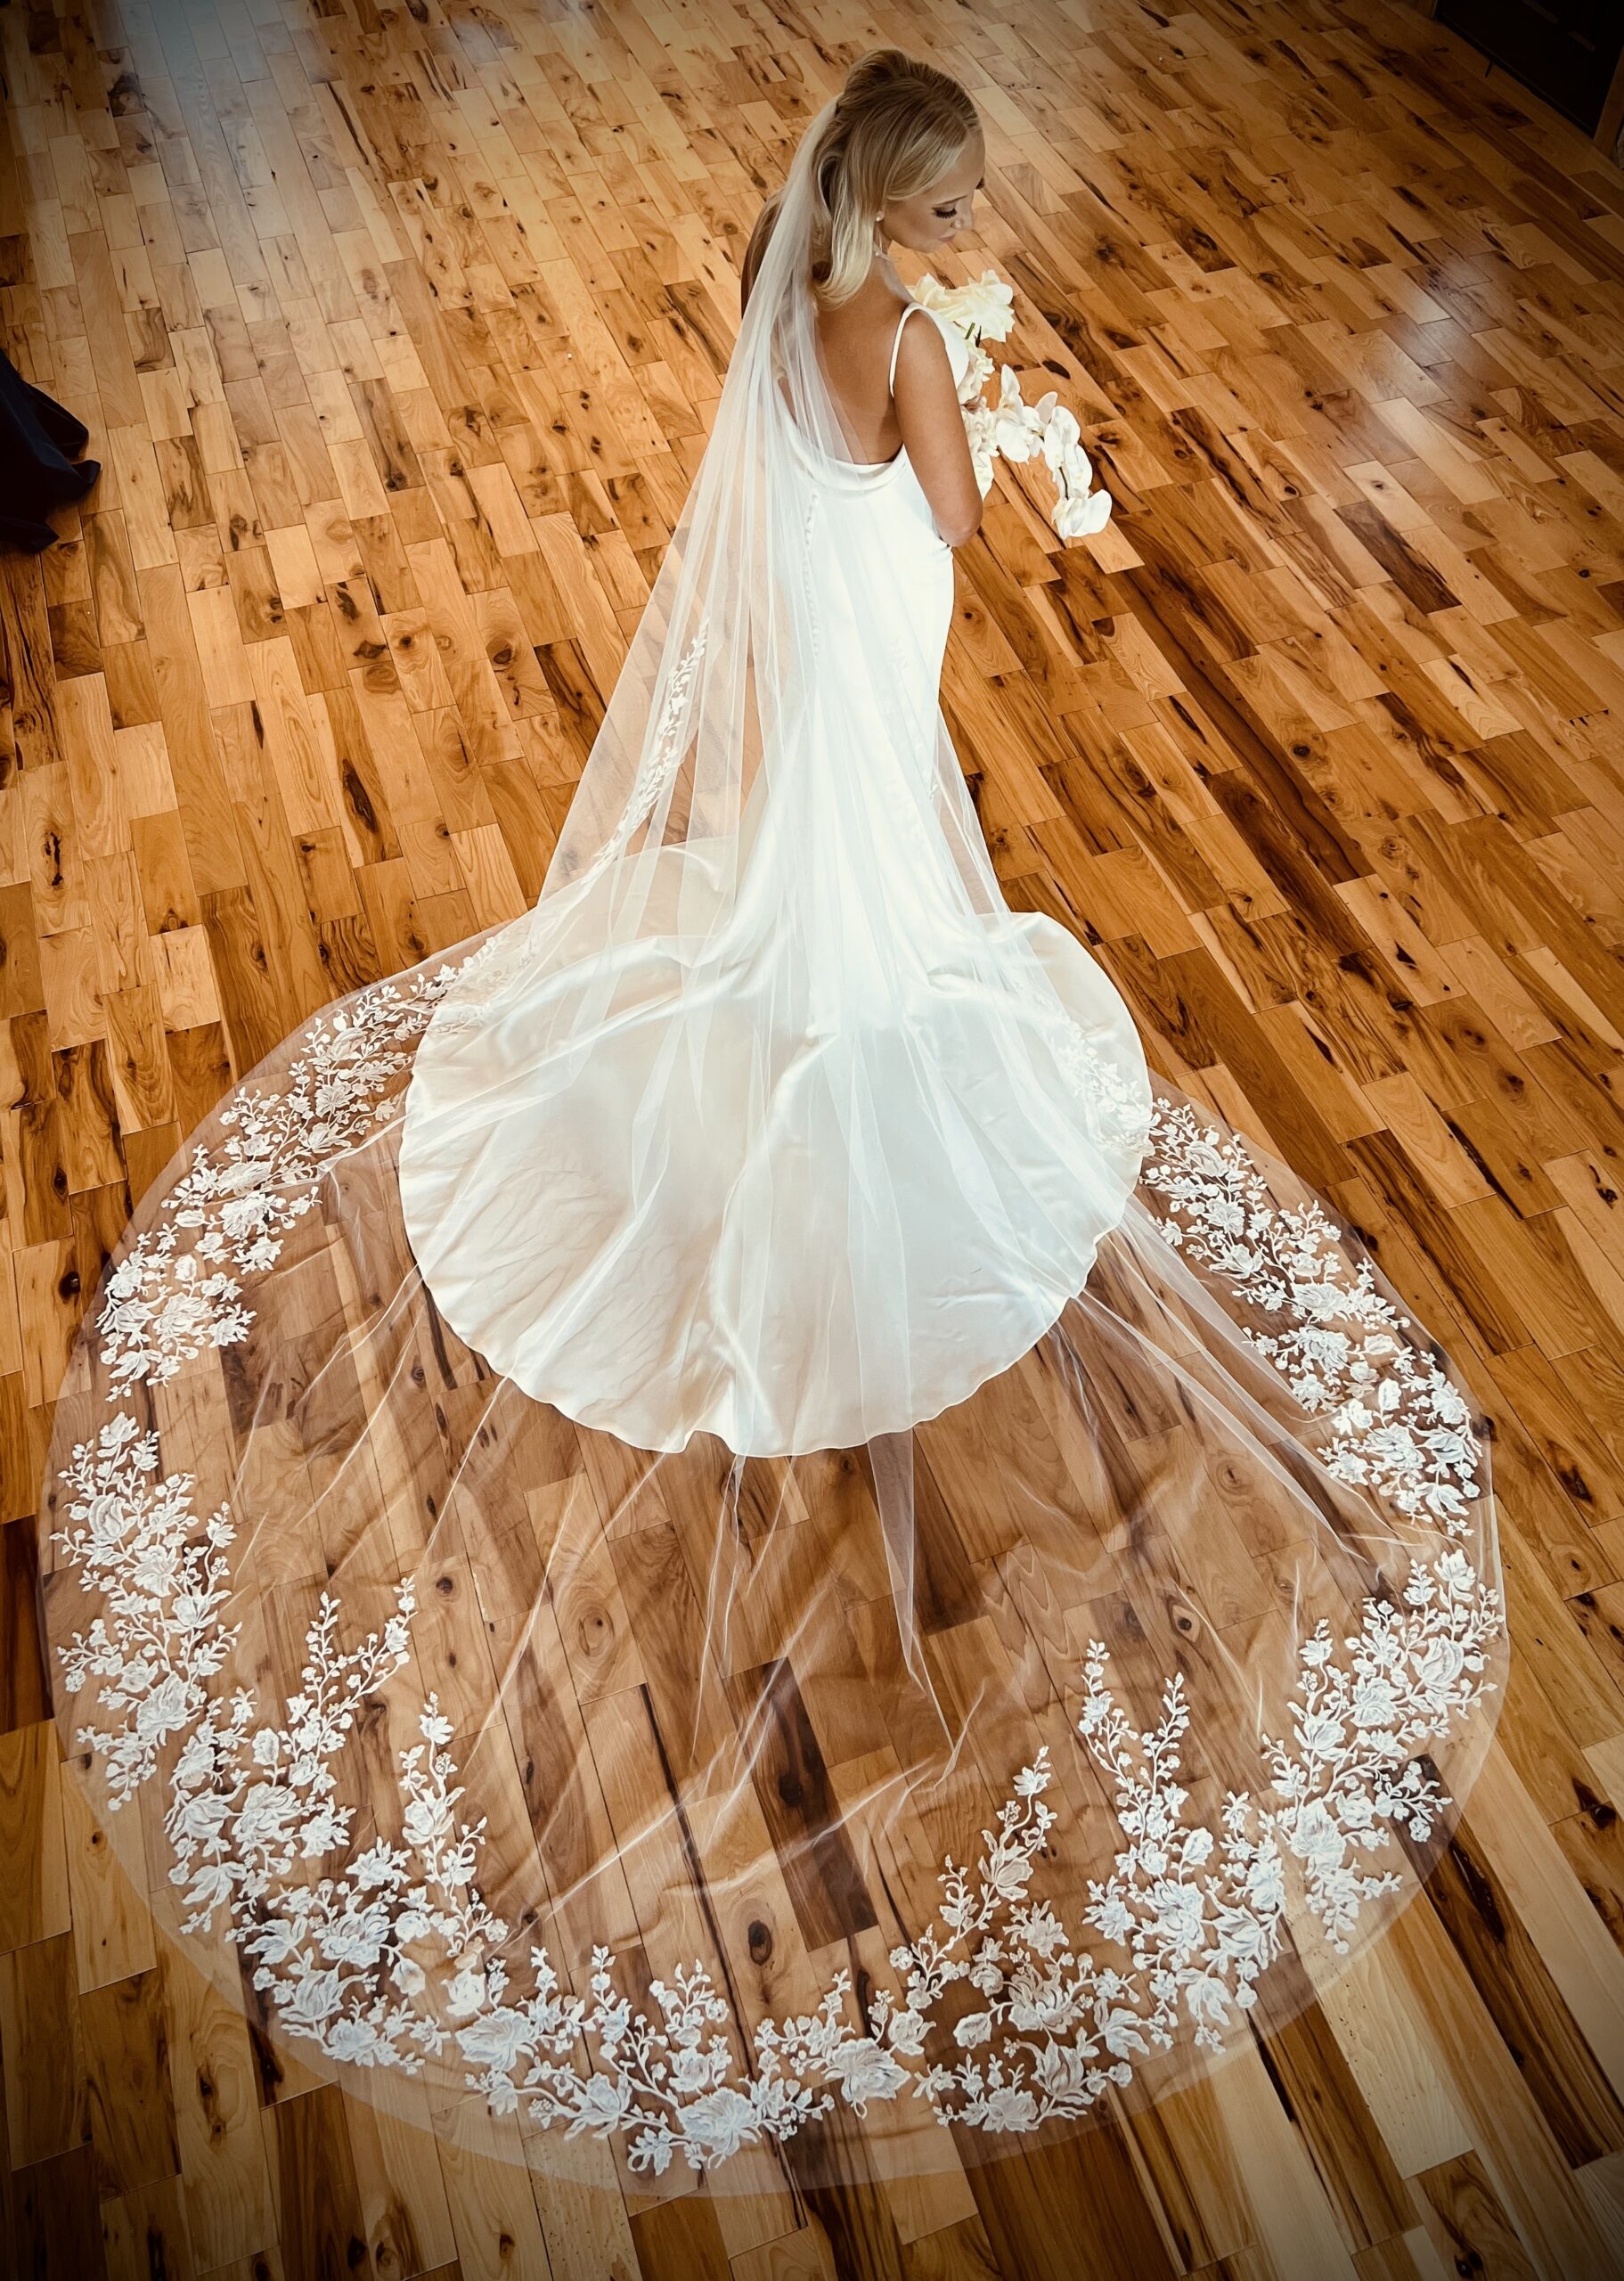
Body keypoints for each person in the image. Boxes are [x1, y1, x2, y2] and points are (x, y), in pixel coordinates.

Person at [45, 51, 1505, 2187]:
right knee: (892, 950)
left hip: (817, 676)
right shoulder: (911, 340)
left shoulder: (776, 282)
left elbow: (805, 485)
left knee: (781, 918)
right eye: (962, 205)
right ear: (903, 209)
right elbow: (956, 524)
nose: (976, 232)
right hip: (878, 658)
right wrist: (997, 409)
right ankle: (846, 1229)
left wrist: (961, 370)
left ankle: (765, 1099)